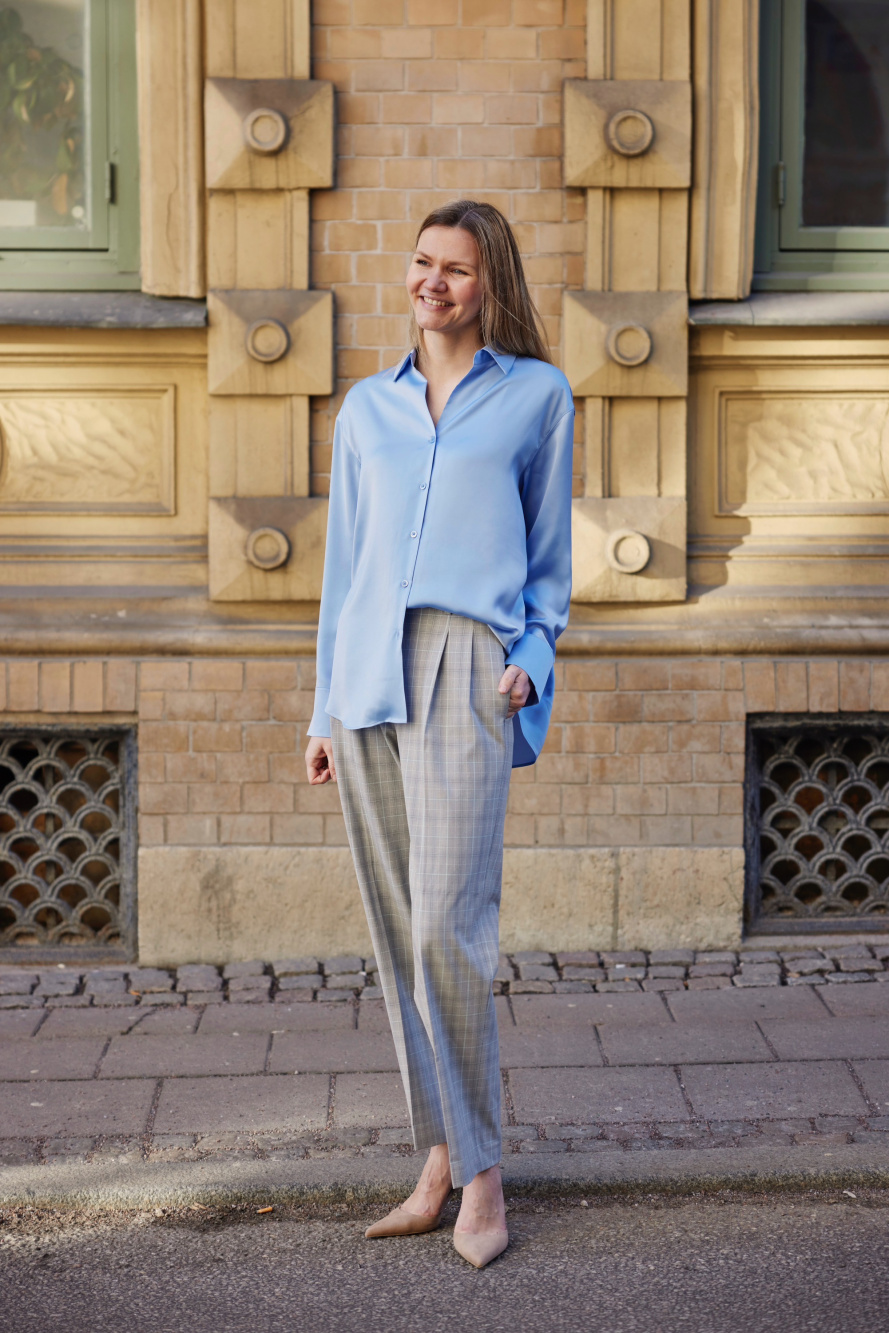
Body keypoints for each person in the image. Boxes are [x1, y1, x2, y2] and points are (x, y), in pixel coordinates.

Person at [304, 199, 574, 1269]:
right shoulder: (365, 410)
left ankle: (485, 1171)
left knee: (446, 929)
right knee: (392, 928)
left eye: (456, 269)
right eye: (422, 263)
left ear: (489, 283)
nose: (434, 283)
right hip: (367, 667)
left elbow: (551, 564)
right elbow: (341, 572)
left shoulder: (536, 398)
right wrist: (322, 706)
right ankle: (438, 1155)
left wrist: (533, 659)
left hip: (467, 664)